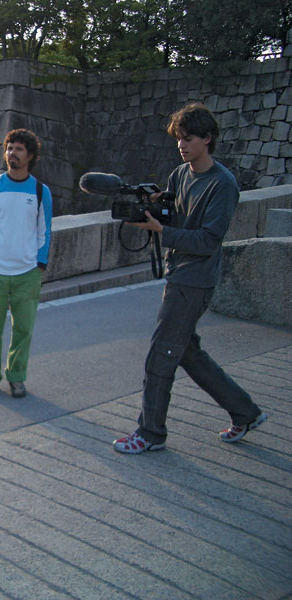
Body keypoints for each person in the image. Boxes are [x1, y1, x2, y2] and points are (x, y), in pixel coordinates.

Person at [113, 102, 266, 454]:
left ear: (208, 139)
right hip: (178, 273)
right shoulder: (180, 174)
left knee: (160, 356)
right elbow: (177, 215)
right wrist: (155, 204)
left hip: (194, 281)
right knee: (187, 354)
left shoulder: (222, 185)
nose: (182, 145)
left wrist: (161, 230)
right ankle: (246, 411)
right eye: (178, 139)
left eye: (189, 138)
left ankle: (150, 434)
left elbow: (208, 241)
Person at [0, 128, 53, 399]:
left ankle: (16, 377)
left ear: (30, 156)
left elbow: (45, 230)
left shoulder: (41, 191)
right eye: (9, 148)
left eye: (18, 149)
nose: (11, 153)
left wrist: (40, 265)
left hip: (27, 271)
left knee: (23, 329)